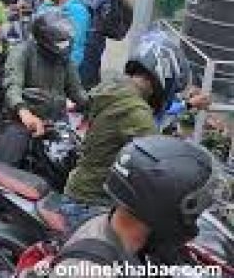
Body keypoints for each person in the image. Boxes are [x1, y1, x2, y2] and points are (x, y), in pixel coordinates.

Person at [61, 30, 210, 229]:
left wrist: (187, 105)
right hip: (93, 204)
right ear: (164, 75)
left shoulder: (116, 87)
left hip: (80, 192)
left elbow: (151, 118)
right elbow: (159, 160)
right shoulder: (135, 111)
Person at [50, 135, 216, 276]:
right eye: (194, 208)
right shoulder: (89, 270)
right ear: (160, 204)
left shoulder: (131, 235)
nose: (196, 216)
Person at [0, 11, 89, 166]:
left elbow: (77, 92)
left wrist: (96, 105)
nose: (64, 45)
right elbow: (13, 86)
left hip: (56, 121)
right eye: (60, 42)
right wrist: (24, 112)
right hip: (22, 120)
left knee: (74, 160)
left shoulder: (64, 60)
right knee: (4, 167)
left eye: (66, 41)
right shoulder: (22, 52)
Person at [39, 0, 90, 70]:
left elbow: (75, 39)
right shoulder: (46, 7)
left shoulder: (77, 10)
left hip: (67, 63)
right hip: (45, 62)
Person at [74, 0, 112, 89]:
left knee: (90, 62)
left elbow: (89, 4)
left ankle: (88, 90)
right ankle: (93, 87)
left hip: (96, 31)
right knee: (89, 63)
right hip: (86, 28)